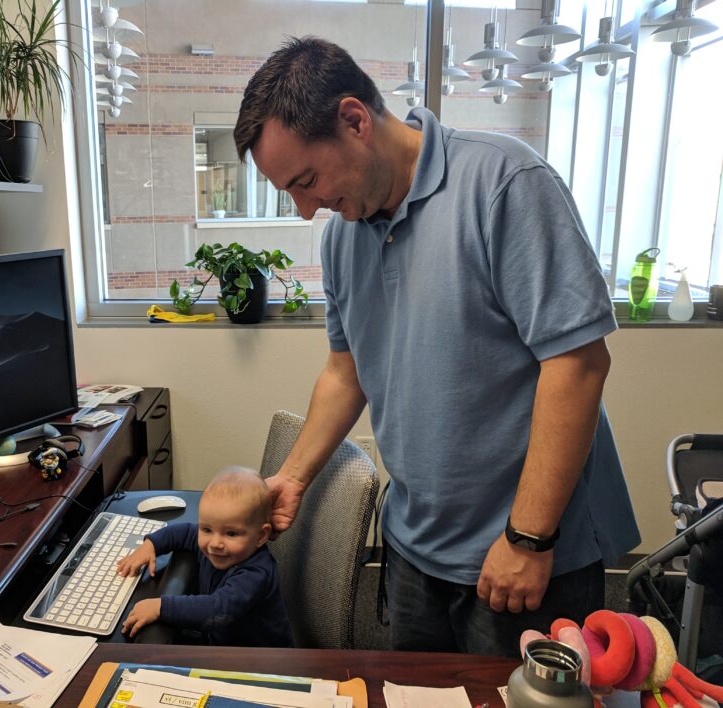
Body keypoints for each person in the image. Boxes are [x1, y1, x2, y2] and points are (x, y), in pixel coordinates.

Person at [233, 36, 640, 658]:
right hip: (414, 547)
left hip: (525, 552)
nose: (306, 207)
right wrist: (292, 477)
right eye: (290, 191)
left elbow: (579, 364)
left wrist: (528, 539)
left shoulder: (506, 183)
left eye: (307, 180)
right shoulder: (344, 238)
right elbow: (347, 374)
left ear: (354, 120)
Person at [116, 467, 293, 647]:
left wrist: (160, 607)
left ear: (261, 536)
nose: (215, 543)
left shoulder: (256, 573)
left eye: (231, 534)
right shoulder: (218, 545)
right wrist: (151, 544)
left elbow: (218, 609)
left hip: (261, 660)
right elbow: (184, 532)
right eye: (206, 529)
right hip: (223, 642)